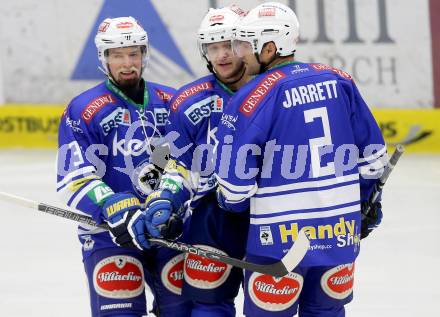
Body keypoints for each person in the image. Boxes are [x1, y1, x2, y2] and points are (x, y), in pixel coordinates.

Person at [214, 2, 386, 316]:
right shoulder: (339, 79)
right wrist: (367, 202)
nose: (237, 54)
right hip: (339, 237)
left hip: (278, 245)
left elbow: (234, 189)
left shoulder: (250, 98)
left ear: (268, 48)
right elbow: (374, 159)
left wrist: (230, 205)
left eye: (244, 45)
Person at [56, 17, 191, 317]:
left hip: (167, 231)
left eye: (134, 54)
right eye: (117, 55)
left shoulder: (170, 101)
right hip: (109, 233)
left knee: (183, 312)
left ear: (145, 55)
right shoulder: (82, 109)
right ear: (104, 59)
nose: (127, 63)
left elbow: (180, 162)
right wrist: (112, 204)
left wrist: (170, 200)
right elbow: (73, 178)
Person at [143, 6, 251, 317]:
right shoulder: (187, 101)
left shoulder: (273, 90)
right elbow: (166, 162)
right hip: (212, 217)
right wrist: (163, 196)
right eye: (212, 48)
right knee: (208, 303)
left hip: (268, 212)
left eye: (228, 45)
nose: (221, 56)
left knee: (269, 307)